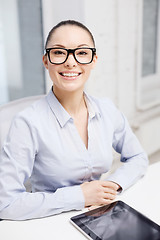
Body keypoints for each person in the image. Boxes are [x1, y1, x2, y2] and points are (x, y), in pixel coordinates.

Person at [0, 20, 148, 220]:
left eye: (82, 52)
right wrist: (79, 196)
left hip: (100, 214)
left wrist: (111, 186)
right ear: (46, 61)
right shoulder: (27, 123)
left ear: (94, 60)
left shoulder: (106, 109)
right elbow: (6, 203)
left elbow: (138, 157)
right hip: (46, 221)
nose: (71, 62)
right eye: (59, 52)